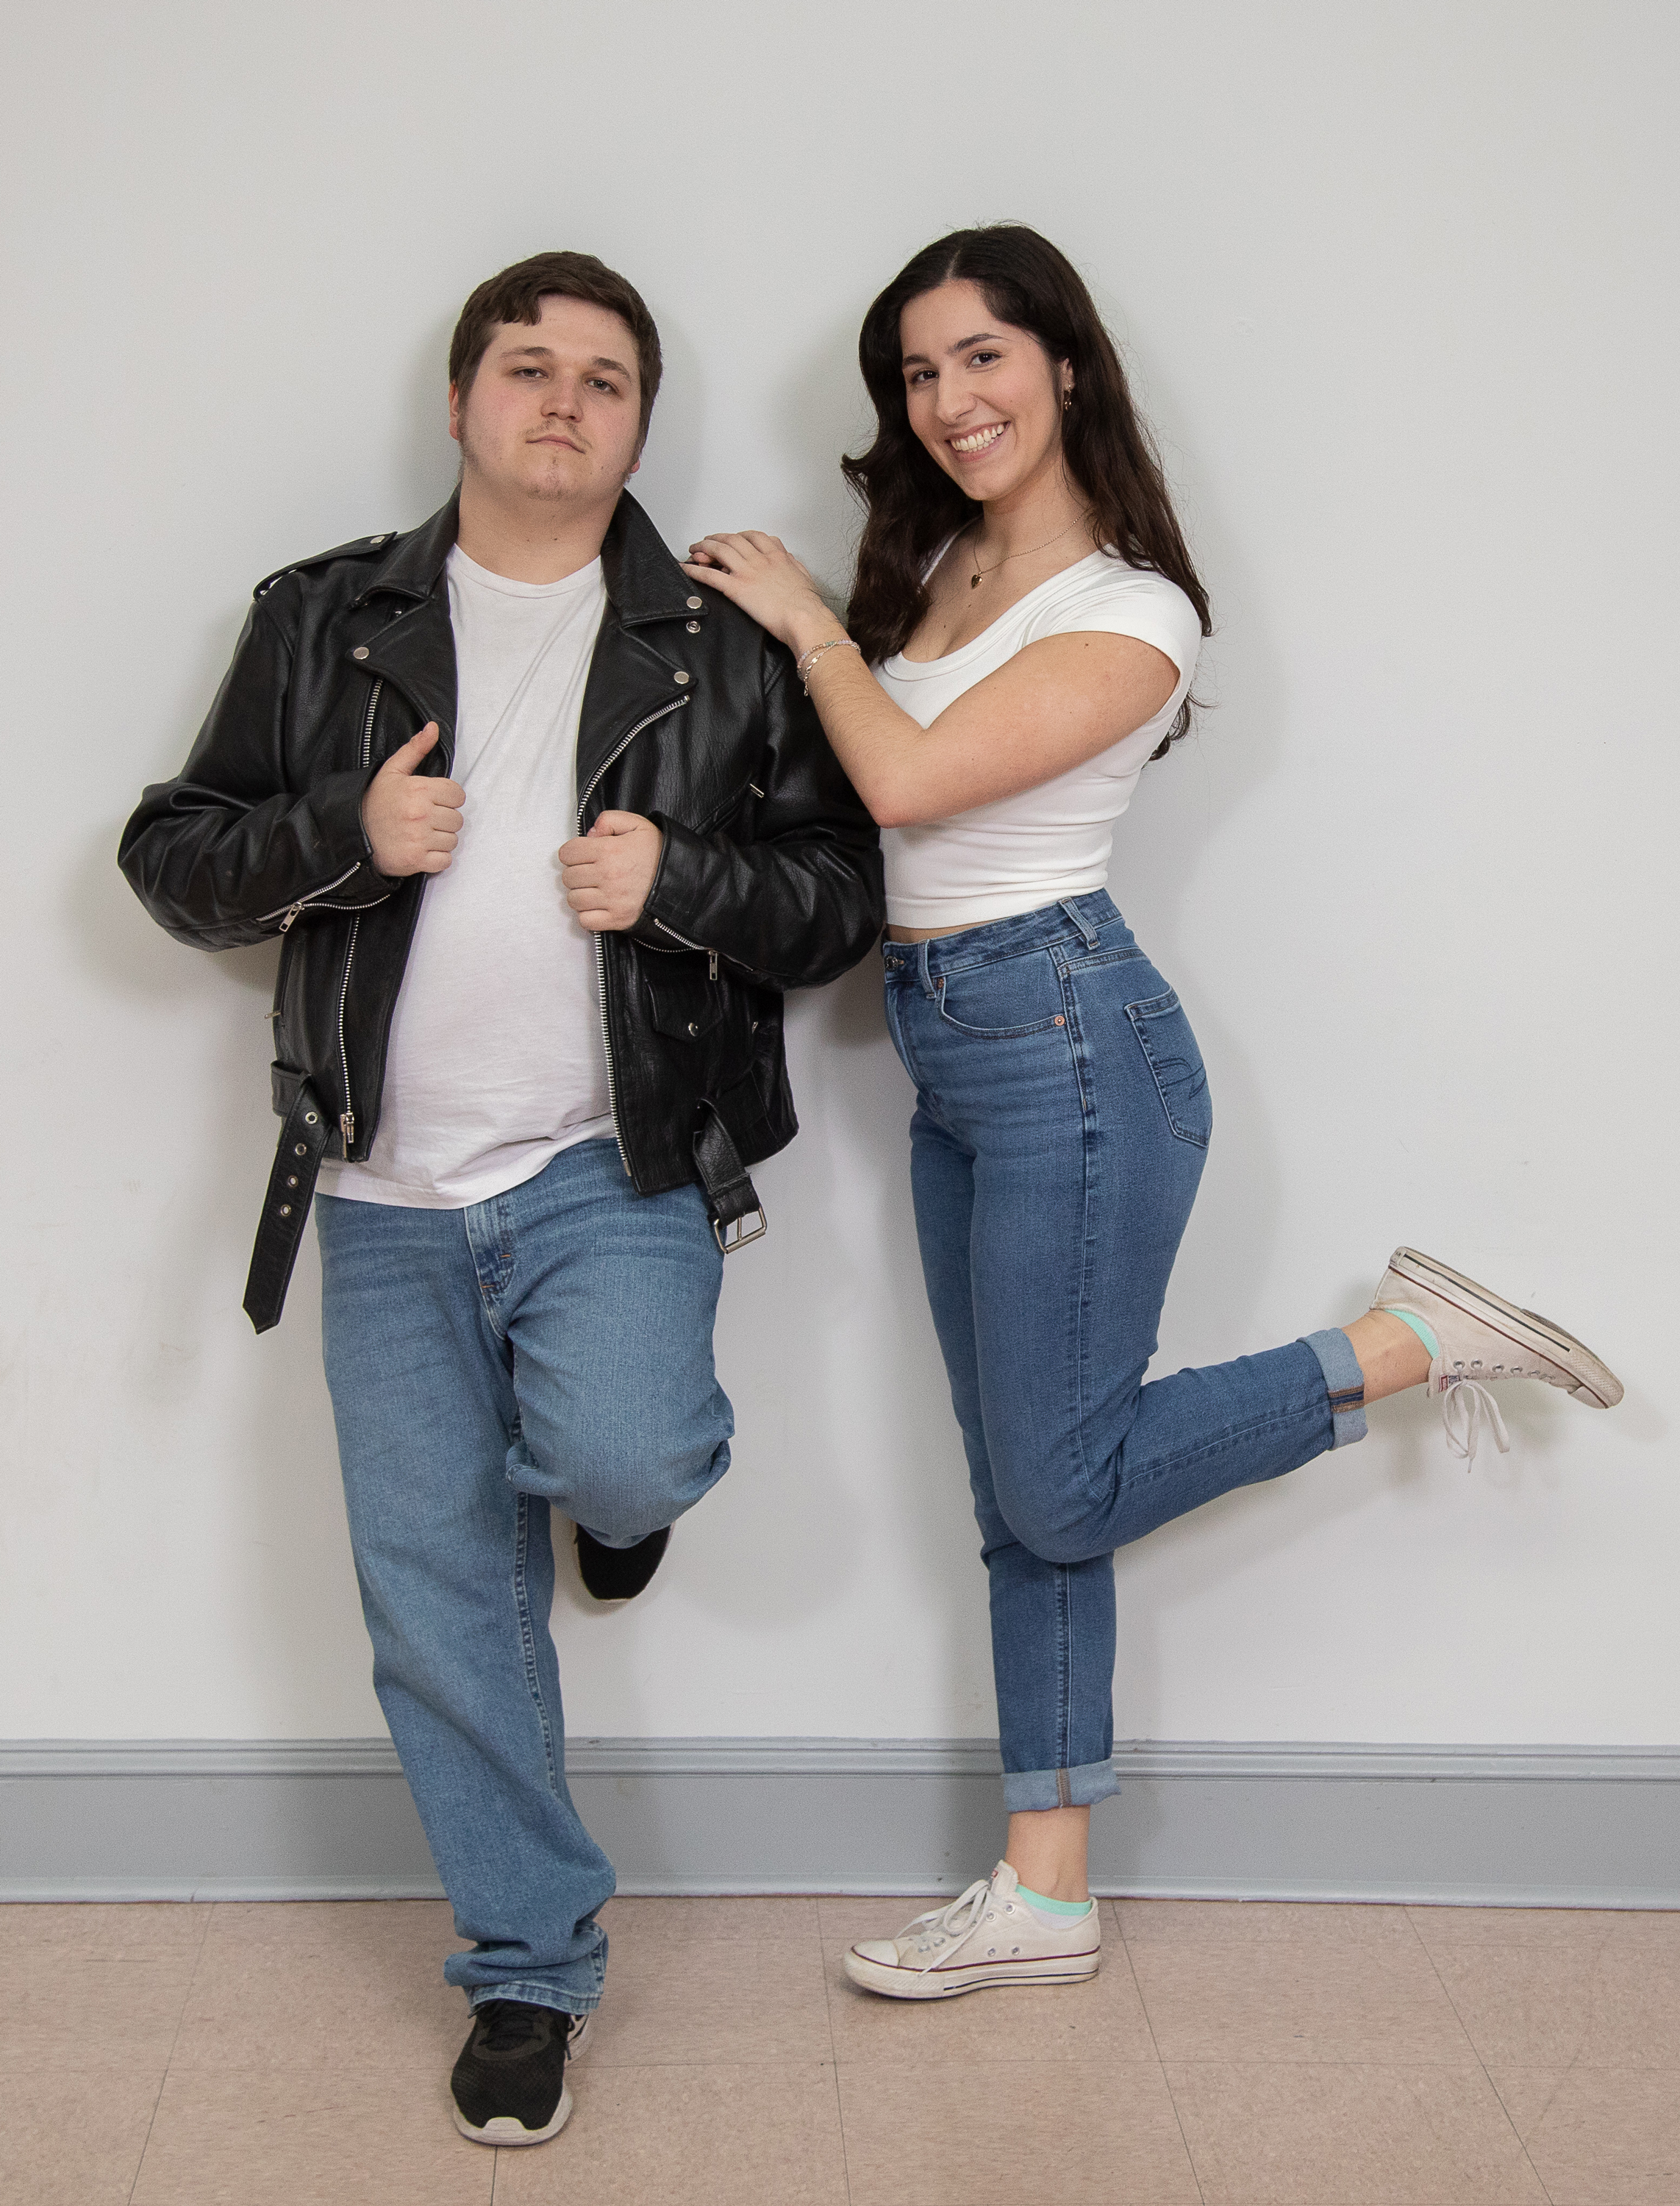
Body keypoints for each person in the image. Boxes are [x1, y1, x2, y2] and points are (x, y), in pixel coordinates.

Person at [682, 222, 1622, 2001]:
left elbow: (905, 778)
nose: (950, 399)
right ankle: (1046, 1895)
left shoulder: (1137, 612)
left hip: (1070, 1044)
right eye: (919, 371)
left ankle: (1409, 1343)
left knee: (1063, 1476)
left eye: (983, 356)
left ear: (1066, 365)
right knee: (1023, 1495)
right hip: (953, 1044)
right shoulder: (940, 564)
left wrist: (804, 620)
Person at [119, 249, 883, 2137]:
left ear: (640, 425)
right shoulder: (322, 616)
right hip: (377, 1191)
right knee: (439, 1604)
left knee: (625, 1449)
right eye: (530, 367)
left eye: (606, 379)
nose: (565, 401)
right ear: (460, 400)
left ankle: (608, 1505)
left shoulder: (720, 638)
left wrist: (682, 881)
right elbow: (172, 857)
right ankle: (529, 1966)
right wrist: (346, 834)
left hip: (615, 1163)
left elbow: (840, 902)